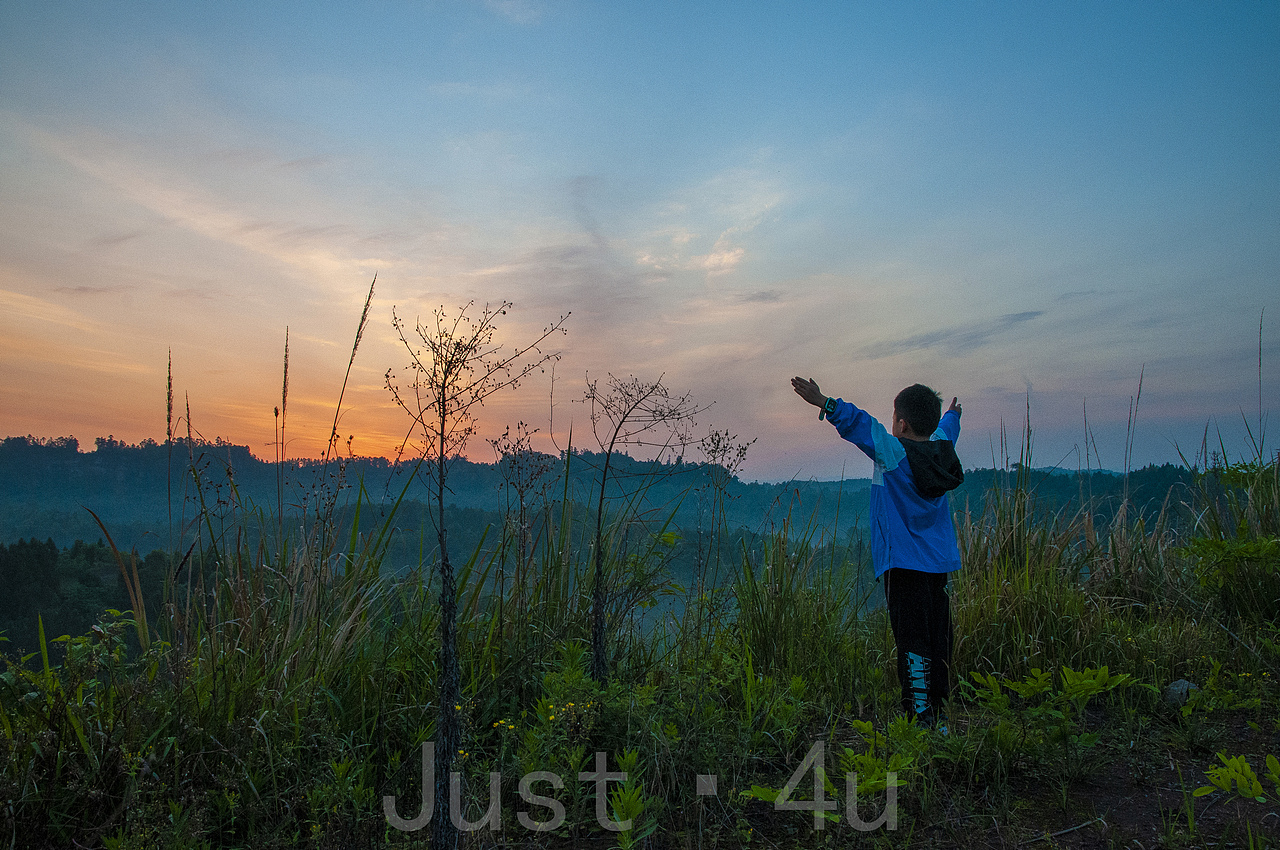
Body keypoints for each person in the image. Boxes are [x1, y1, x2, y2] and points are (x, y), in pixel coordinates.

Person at [791, 376, 964, 725]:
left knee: (912, 641)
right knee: (938, 636)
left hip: (902, 565)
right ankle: (940, 715)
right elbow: (947, 431)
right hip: (937, 565)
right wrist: (952, 415)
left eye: (894, 417)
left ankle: (919, 718)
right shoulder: (942, 449)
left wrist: (823, 401)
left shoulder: (893, 451)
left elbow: (859, 423)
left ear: (901, 423)